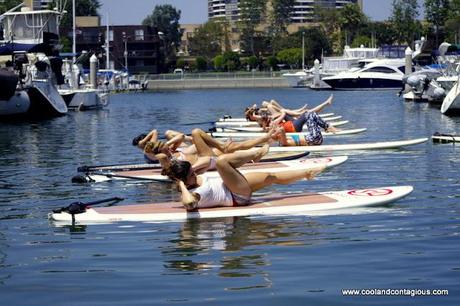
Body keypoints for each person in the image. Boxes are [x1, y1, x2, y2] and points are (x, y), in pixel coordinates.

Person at [160, 145, 325, 211]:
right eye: (191, 175)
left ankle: (306, 174)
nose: (195, 175)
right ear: (183, 181)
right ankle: (255, 153)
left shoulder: (190, 179)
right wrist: (181, 183)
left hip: (233, 186)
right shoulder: (192, 193)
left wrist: (183, 172)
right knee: (222, 162)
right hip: (236, 196)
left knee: (271, 176)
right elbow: (189, 204)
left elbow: (167, 165)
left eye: (193, 172)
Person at [144, 128, 277, 174]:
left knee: (233, 148)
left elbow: (180, 137)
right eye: (163, 146)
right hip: (206, 160)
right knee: (196, 132)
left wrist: (166, 145)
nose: (167, 146)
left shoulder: (172, 151)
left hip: (206, 157)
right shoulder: (166, 160)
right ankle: (258, 150)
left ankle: (261, 143)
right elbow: (152, 154)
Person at [274, 111, 338, 146]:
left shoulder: (284, 139)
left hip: (314, 138)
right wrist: (275, 131)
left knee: (310, 114)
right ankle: (327, 127)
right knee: (309, 114)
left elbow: (281, 131)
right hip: (314, 139)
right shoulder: (283, 142)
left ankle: (327, 127)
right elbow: (281, 129)